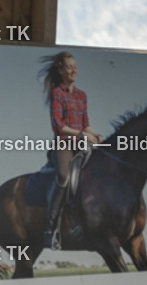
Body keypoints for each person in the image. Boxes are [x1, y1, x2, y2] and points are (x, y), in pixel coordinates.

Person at [40, 51, 102, 247]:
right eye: (69, 66)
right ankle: (50, 230)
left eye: (75, 66)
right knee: (64, 178)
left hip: (80, 144)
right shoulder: (57, 93)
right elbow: (57, 125)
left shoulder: (82, 95)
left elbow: (86, 124)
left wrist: (97, 135)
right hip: (63, 144)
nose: (74, 70)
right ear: (60, 70)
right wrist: (81, 135)